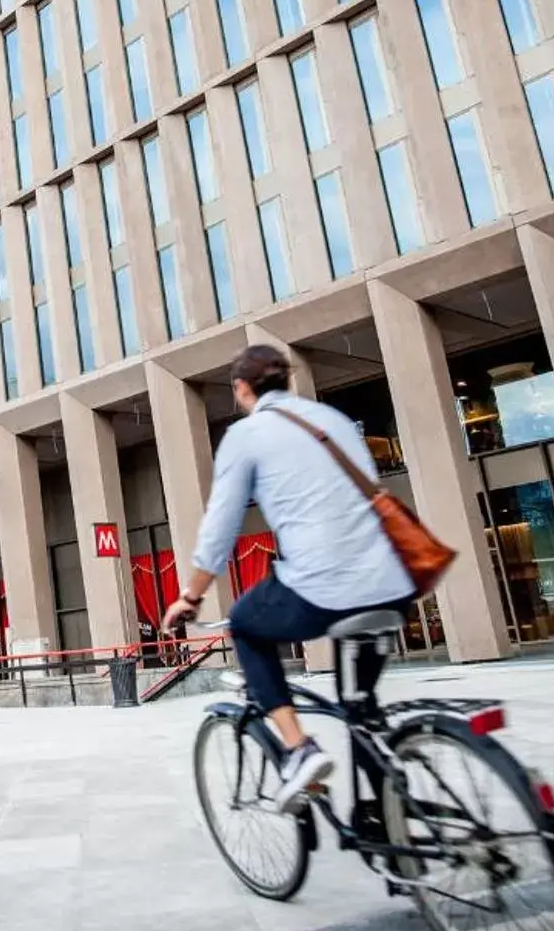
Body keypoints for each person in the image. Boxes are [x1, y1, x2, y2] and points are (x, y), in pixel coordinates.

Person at [159, 345, 416, 810]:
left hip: (322, 585)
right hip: (391, 584)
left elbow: (220, 526)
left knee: (245, 624)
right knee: (359, 709)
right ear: (287, 382)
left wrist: (190, 596)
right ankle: (389, 829)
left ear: (241, 389)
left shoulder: (246, 434)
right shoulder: (332, 421)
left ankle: (298, 750)